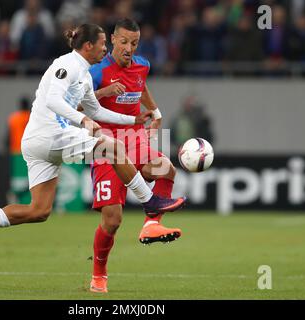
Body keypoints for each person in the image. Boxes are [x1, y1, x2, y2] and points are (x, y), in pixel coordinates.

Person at [0, 24, 187, 257]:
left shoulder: (83, 74)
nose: (106, 49)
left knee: (38, 210)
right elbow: (53, 100)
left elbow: (98, 112)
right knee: (113, 148)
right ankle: (150, 201)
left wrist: (133, 121)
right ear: (88, 45)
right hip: (51, 134)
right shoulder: (67, 64)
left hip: (39, 143)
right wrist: (82, 120)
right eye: (103, 44)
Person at [87, 18, 183, 294]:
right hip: (105, 145)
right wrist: (104, 92)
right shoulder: (97, 71)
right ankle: (99, 275)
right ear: (113, 40)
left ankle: (151, 225)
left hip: (134, 138)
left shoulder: (142, 65)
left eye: (135, 43)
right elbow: (78, 103)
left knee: (166, 169)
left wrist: (156, 112)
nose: (129, 48)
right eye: (125, 42)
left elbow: (141, 86)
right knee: (112, 220)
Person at [6, 96, 31, 205]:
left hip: (15, 152)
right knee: (31, 178)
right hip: (29, 151)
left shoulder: (13, 118)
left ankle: (15, 196)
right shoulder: (31, 117)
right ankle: (18, 195)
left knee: (18, 179)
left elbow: (7, 137)